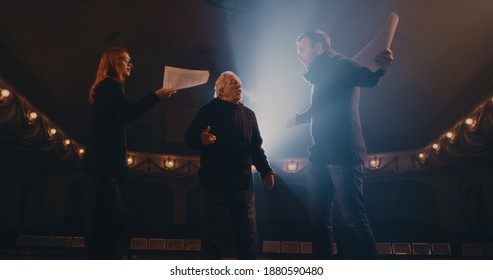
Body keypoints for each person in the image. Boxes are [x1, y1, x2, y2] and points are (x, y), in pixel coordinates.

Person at [288, 30, 394, 259]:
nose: (299, 55)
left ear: (318, 48)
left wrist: (382, 66)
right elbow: (322, 105)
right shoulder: (321, 74)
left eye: (302, 49)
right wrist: (297, 118)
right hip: (318, 157)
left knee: (354, 219)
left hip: (344, 155)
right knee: (318, 220)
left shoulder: (342, 65)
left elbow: (368, 78)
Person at [81, 47, 176, 259]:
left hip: (108, 167)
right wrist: (156, 96)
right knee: (106, 222)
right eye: (125, 59)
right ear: (113, 62)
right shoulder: (108, 85)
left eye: (130, 60)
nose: (130, 64)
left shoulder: (114, 87)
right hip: (102, 166)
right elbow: (128, 113)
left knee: (110, 221)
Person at [184, 71, 275, 259]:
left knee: (248, 235)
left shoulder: (250, 115)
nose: (238, 84)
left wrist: (266, 170)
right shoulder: (207, 110)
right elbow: (190, 137)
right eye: (233, 82)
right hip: (213, 183)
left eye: (239, 82)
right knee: (211, 235)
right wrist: (200, 138)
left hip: (242, 184)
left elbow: (256, 147)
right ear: (221, 89)